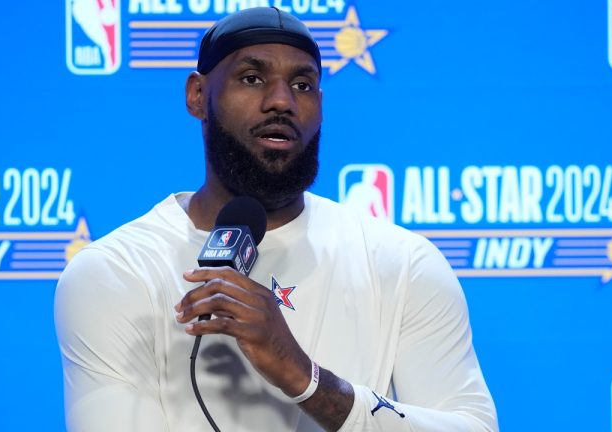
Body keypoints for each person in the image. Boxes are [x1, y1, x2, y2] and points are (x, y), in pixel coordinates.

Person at [54, 7, 498, 432]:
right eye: (252, 78)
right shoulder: (115, 272)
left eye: (303, 85)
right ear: (197, 95)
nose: (281, 101)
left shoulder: (402, 263)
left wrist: (305, 379)